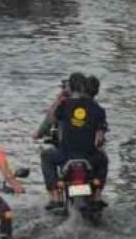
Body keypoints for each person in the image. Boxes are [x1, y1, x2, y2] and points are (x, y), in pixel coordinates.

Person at [40, 73, 108, 210]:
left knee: (45, 156)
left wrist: (59, 99)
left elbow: (51, 119)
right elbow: (100, 138)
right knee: (104, 159)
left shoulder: (65, 104)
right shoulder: (98, 109)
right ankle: (97, 196)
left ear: (70, 88)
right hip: (88, 155)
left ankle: (54, 197)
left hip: (66, 154)